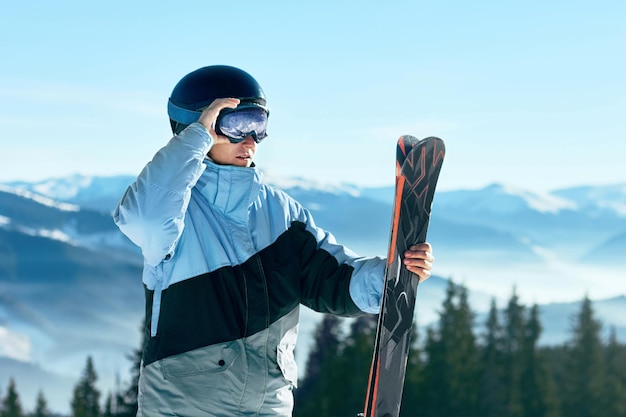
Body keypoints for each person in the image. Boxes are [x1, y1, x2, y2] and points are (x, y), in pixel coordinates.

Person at [113, 65, 435, 417]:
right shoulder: (176, 215)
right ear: (198, 127)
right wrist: (195, 139)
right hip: (185, 406)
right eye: (236, 125)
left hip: (269, 404)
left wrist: (392, 276)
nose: (251, 140)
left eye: (259, 124)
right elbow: (140, 216)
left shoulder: (281, 213)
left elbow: (334, 280)